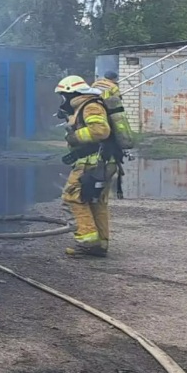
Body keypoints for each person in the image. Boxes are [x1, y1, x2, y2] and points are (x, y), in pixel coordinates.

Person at [56, 75, 118, 257]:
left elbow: (100, 130)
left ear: (71, 93)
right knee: (95, 201)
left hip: (92, 163)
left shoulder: (90, 105)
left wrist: (74, 137)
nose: (62, 100)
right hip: (102, 162)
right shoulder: (86, 105)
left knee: (73, 197)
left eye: (63, 96)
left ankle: (88, 244)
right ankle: (100, 244)